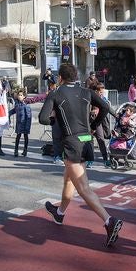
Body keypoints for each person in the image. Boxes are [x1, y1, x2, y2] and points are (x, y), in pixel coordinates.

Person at [39, 63, 123, 248]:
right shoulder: (86, 91)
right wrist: (94, 126)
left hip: (72, 143)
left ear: (60, 77)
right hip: (86, 141)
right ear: (75, 76)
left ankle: (109, 221)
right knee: (69, 179)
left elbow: (43, 119)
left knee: (83, 188)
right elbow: (106, 107)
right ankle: (59, 213)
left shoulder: (56, 93)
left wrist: (55, 119)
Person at [88, 81, 111, 168]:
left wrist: (117, 115)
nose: (102, 93)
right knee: (88, 139)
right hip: (89, 120)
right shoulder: (90, 97)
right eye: (100, 91)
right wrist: (91, 111)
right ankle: (89, 159)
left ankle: (105, 159)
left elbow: (108, 108)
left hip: (98, 122)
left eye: (102, 91)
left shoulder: (102, 98)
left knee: (100, 139)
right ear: (96, 91)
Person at [10, 89, 32, 157]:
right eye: (18, 95)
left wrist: (27, 126)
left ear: (24, 96)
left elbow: (29, 116)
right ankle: (16, 150)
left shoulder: (26, 105)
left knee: (25, 137)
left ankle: (25, 150)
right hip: (19, 123)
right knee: (18, 136)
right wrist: (9, 113)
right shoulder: (17, 103)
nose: (19, 96)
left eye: (21, 95)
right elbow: (15, 110)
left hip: (25, 123)